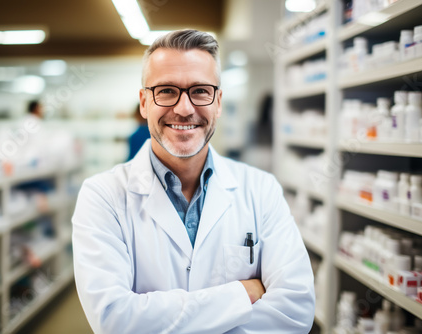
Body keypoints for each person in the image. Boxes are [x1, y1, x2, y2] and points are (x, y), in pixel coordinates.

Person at [72, 29, 315, 334]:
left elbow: (295, 312)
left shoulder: (261, 189)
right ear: (144, 102)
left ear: (218, 102)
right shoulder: (102, 196)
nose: (184, 109)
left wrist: (153, 316)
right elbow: (115, 320)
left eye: (200, 90)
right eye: (166, 90)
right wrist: (242, 294)